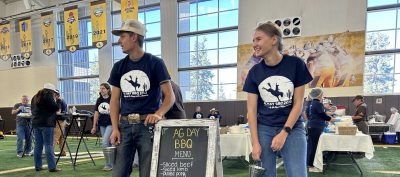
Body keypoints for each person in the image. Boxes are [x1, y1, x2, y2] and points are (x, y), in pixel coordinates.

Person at [243, 21, 313, 177]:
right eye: (253, 40)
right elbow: (251, 111)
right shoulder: (254, 73)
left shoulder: (296, 65)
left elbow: (298, 103)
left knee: (298, 174)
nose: (254, 44)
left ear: (274, 40)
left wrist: (284, 132)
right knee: (266, 174)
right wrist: (255, 142)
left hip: (292, 128)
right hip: (264, 129)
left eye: (258, 39)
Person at [108, 19, 175, 177]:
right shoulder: (118, 67)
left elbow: (170, 96)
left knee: (148, 174)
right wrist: (115, 128)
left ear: (134, 37)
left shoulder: (155, 63)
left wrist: (158, 114)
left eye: (123, 36)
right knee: (118, 173)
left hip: (148, 127)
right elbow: (114, 100)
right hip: (124, 127)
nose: (119, 41)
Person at [31, 83, 61, 172]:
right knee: (48, 145)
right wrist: (58, 100)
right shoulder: (48, 96)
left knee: (38, 145)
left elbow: (33, 110)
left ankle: (38, 166)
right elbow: (55, 108)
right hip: (47, 124)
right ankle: (52, 167)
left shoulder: (35, 97)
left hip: (36, 123)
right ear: (51, 91)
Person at [306, 88, 335, 172]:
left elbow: (308, 114)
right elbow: (323, 116)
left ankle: (310, 163)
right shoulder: (318, 104)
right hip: (316, 127)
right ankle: (311, 165)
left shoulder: (311, 103)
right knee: (314, 146)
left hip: (312, 126)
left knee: (311, 145)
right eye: (322, 94)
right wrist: (332, 119)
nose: (323, 96)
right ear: (319, 95)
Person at [90, 83, 113, 171]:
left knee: (104, 143)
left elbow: (117, 111)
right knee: (109, 144)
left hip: (111, 123)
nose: (101, 90)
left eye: (103, 88)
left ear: (108, 90)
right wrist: (94, 126)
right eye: (100, 89)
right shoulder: (99, 100)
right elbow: (96, 113)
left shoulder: (112, 99)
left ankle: (108, 164)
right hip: (102, 124)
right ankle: (112, 162)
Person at [53, 90, 68, 156]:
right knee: (61, 137)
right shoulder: (62, 100)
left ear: (56, 95)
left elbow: (58, 112)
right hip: (63, 120)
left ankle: (50, 153)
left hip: (59, 121)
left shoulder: (58, 101)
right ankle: (63, 152)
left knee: (55, 137)